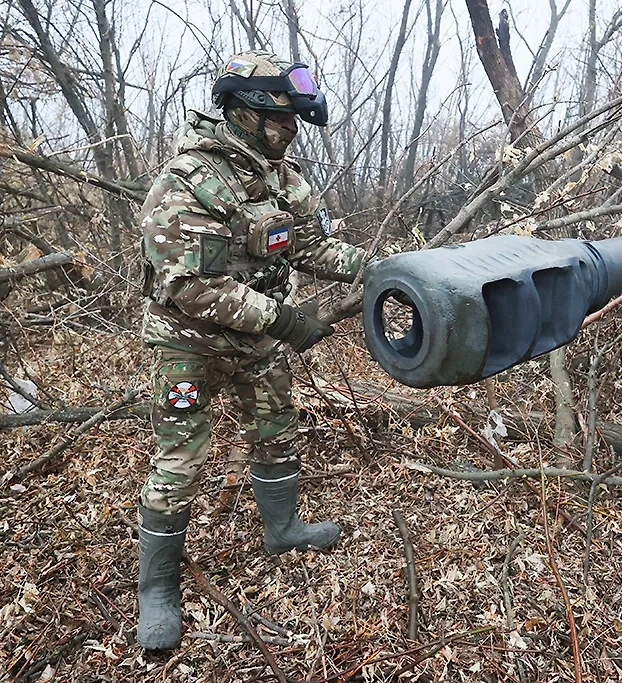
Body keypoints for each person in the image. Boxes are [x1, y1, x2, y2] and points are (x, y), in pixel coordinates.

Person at [136, 50, 363, 650]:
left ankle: (282, 528)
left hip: (258, 342)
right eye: (281, 122)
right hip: (190, 346)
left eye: (294, 125)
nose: (291, 134)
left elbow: (312, 247)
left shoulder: (282, 179)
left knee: (277, 428)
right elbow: (187, 285)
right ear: (243, 113)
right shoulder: (186, 182)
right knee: (180, 460)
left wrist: (379, 268)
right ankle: (157, 589)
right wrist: (285, 320)